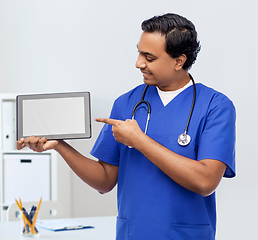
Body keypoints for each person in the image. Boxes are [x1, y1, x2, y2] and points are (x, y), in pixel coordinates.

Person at [17, 13, 236, 240]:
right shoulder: (127, 103)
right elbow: (104, 181)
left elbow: (205, 182)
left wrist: (139, 141)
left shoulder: (215, 106)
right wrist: (61, 146)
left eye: (149, 57)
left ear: (179, 61)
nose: (138, 63)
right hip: (134, 233)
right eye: (139, 52)